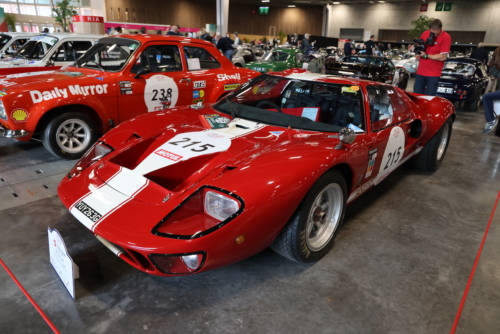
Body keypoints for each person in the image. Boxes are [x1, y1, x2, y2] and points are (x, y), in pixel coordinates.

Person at [413, 19, 452, 96]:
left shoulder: (446, 37)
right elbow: (420, 47)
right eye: (432, 31)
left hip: (433, 73)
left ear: (440, 28)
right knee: (416, 95)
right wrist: (416, 49)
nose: (433, 34)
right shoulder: (425, 33)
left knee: (429, 95)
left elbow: (442, 57)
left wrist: (426, 55)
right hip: (421, 71)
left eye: (436, 31)